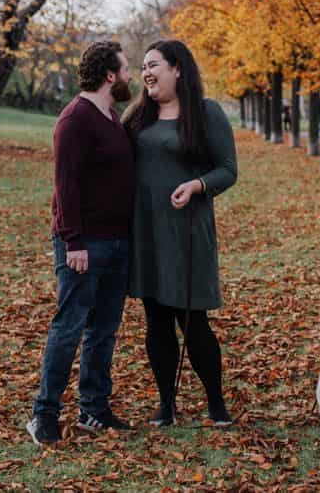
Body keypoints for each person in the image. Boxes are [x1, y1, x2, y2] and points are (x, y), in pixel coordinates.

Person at [125, 40, 238, 427]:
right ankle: (166, 405)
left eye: (154, 64)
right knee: (155, 319)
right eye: (143, 67)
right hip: (146, 234)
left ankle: (216, 403)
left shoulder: (206, 113)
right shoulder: (138, 116)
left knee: (193, 321)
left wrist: (196, 186)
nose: (146, 72)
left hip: (188, 231)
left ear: (178, 69)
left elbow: (228, 169)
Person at [27, 41, 135, 446]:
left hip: (116, 243)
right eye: (125, 70)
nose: (129, 76)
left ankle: (93, 409)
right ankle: (44, 416)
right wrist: (73, 243)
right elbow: (65, 186)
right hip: (83, 244)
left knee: (103, 331)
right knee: (69, 328)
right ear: (110, 75)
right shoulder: (75, 119)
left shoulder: (111, 116)